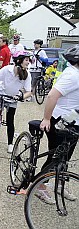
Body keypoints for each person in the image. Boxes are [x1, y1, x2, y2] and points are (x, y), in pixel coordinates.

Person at [37, 45, 79, 204]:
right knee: (56, 156)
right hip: (60, 121)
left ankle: (60, 184)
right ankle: (40, 186)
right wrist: (46, 118)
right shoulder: (72, 76)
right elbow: (52, 96)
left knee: (65, 157)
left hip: (73, 121)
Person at [0, 51, 33, 153]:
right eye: (26, 60)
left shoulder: (27, 75)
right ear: (19, 61)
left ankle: (10, 144)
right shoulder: (7, 69)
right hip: (0, 93)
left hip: (13, 98)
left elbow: (29, 92)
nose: (28, 62)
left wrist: (21, 96)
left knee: (10, 121)